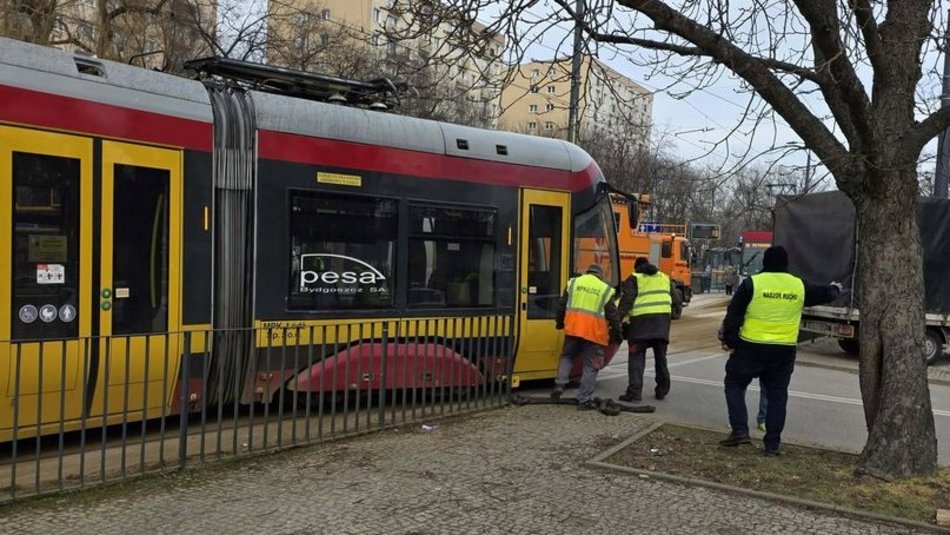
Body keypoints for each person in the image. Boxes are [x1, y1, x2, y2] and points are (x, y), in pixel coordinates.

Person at [718, 246, 841, 456]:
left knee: (734, 383)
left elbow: (734, 315)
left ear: (765, 262)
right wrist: (835, 289)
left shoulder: (752, 284)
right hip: (783, 351)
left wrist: (731, 341)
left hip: (750, 347)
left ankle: (740, 430)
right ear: (786, 263)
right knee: (777, 396)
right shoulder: (798, 286)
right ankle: (772, 445)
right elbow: (824, 293)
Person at [552, 264, 623, 410]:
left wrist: (559, 323)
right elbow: (613, 315)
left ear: (587, 272)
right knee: (591, 366)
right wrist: (617, 334)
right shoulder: (605, 289)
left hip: (573, 330)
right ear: (600, 275)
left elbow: (561, 306)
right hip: (594, 334)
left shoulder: (574, 283)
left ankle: (560, 383)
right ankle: (584, 400)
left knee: (567, 357)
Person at [617, 257, 681, 402]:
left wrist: (617, 320)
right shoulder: (664, 278)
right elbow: (676, 300)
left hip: (640, 325)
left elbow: (626, 301)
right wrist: (672, 315)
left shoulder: (634, 278)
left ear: (636, 267)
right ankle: (662, 390)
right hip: (662, 325)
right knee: (661, 358)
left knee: (636, 358)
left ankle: (634, 393)